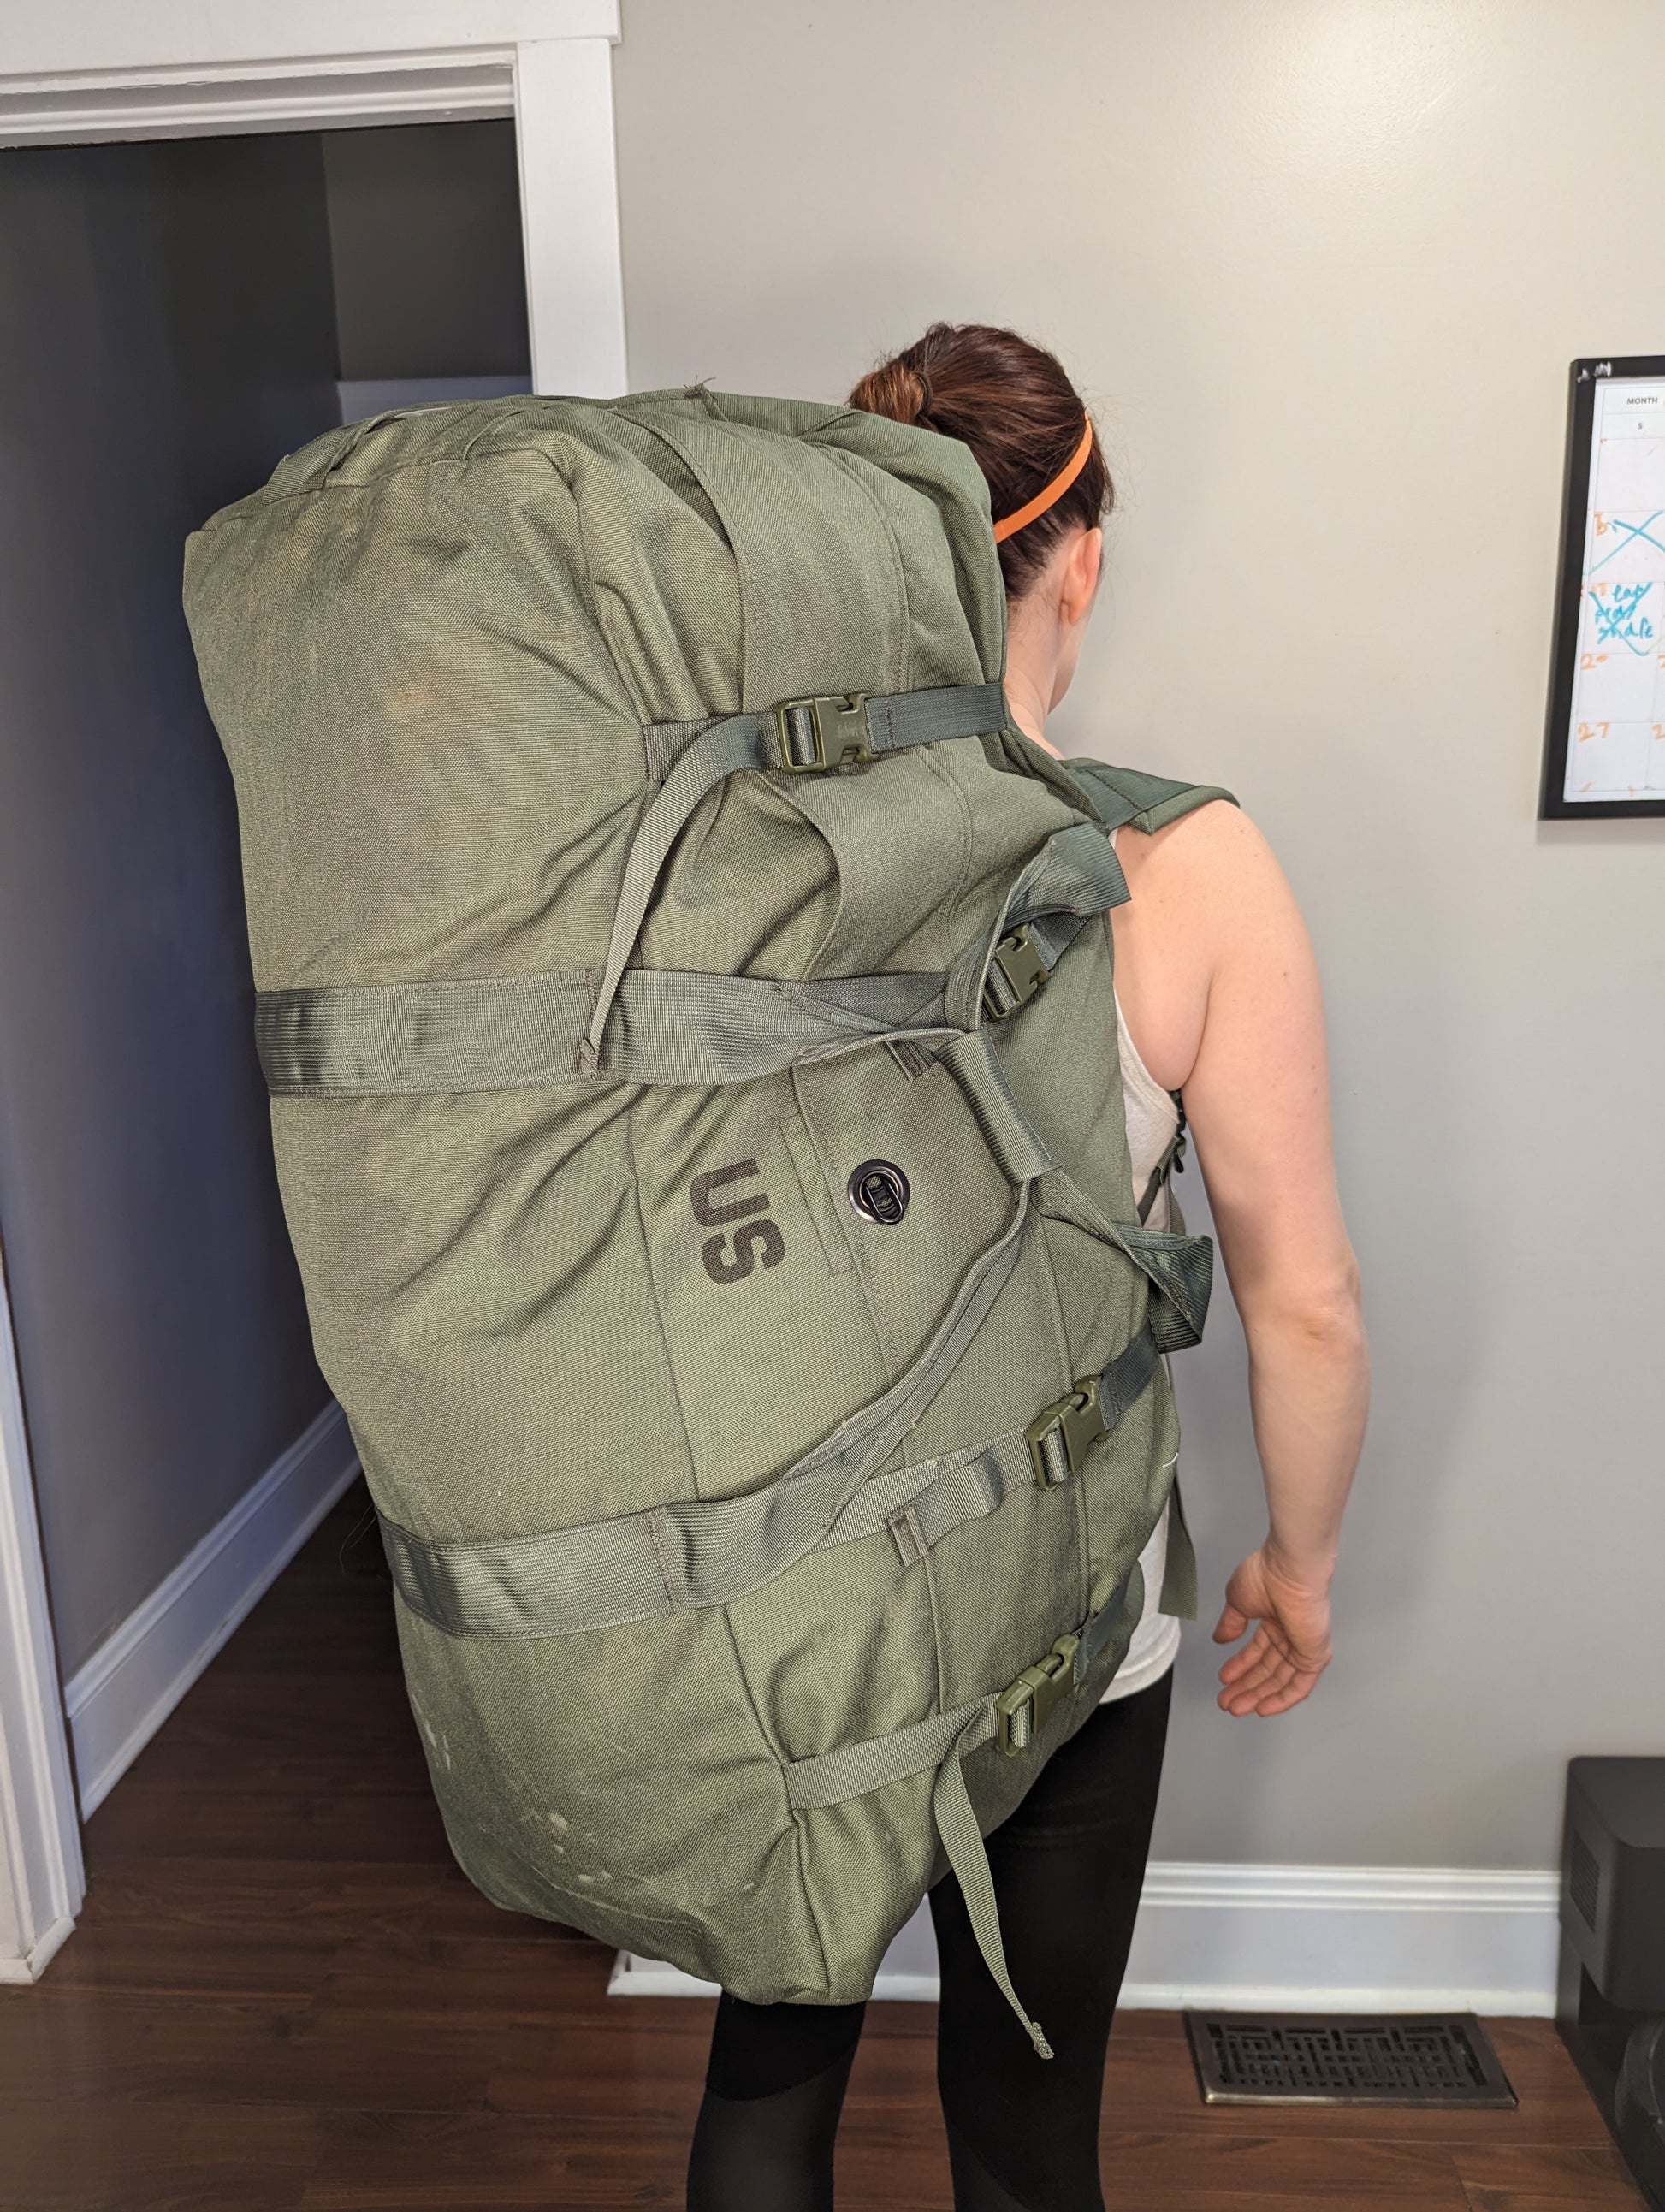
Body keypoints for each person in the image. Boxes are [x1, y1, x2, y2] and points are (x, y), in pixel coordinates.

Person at [685, 323, 1370, 2212]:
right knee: (1024, 2138)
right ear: (1077, 557)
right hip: (1062, 1616)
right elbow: (1301, 1300)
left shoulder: (722, 859)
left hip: (786, 1605)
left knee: (763, 2097)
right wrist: (1294, 1568)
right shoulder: (1190, 870)